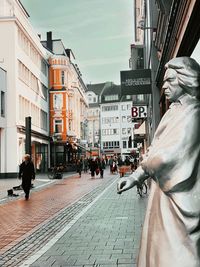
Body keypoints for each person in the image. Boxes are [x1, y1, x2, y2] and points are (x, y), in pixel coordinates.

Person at [117, 57, 200, 267]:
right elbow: (157, 148)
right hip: (163, 196)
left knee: (175, 250)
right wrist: (138, 175)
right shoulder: (172, 113)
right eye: (163, 81)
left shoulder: (194, 114)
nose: (164, 86)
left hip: (177, 199)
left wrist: (139, 173)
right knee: (161, 249)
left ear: (186, 80)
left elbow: (170, 155)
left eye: (170, 80)